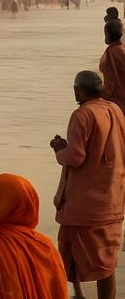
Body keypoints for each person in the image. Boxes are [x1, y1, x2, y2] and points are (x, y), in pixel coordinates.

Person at [52, 70, 125, 299]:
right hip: (112, 197)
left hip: (84, 203)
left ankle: (78, 295)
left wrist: (58, 150)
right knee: (107, 259)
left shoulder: (82, 114)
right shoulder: (116, 110)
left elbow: (75, 157)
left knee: (69, 249)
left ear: (79, 90)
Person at [100, 19, 125, 111]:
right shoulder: (121, 49)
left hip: (116, 101)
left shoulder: (110, 53)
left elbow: (110, 82)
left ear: (107, 34)